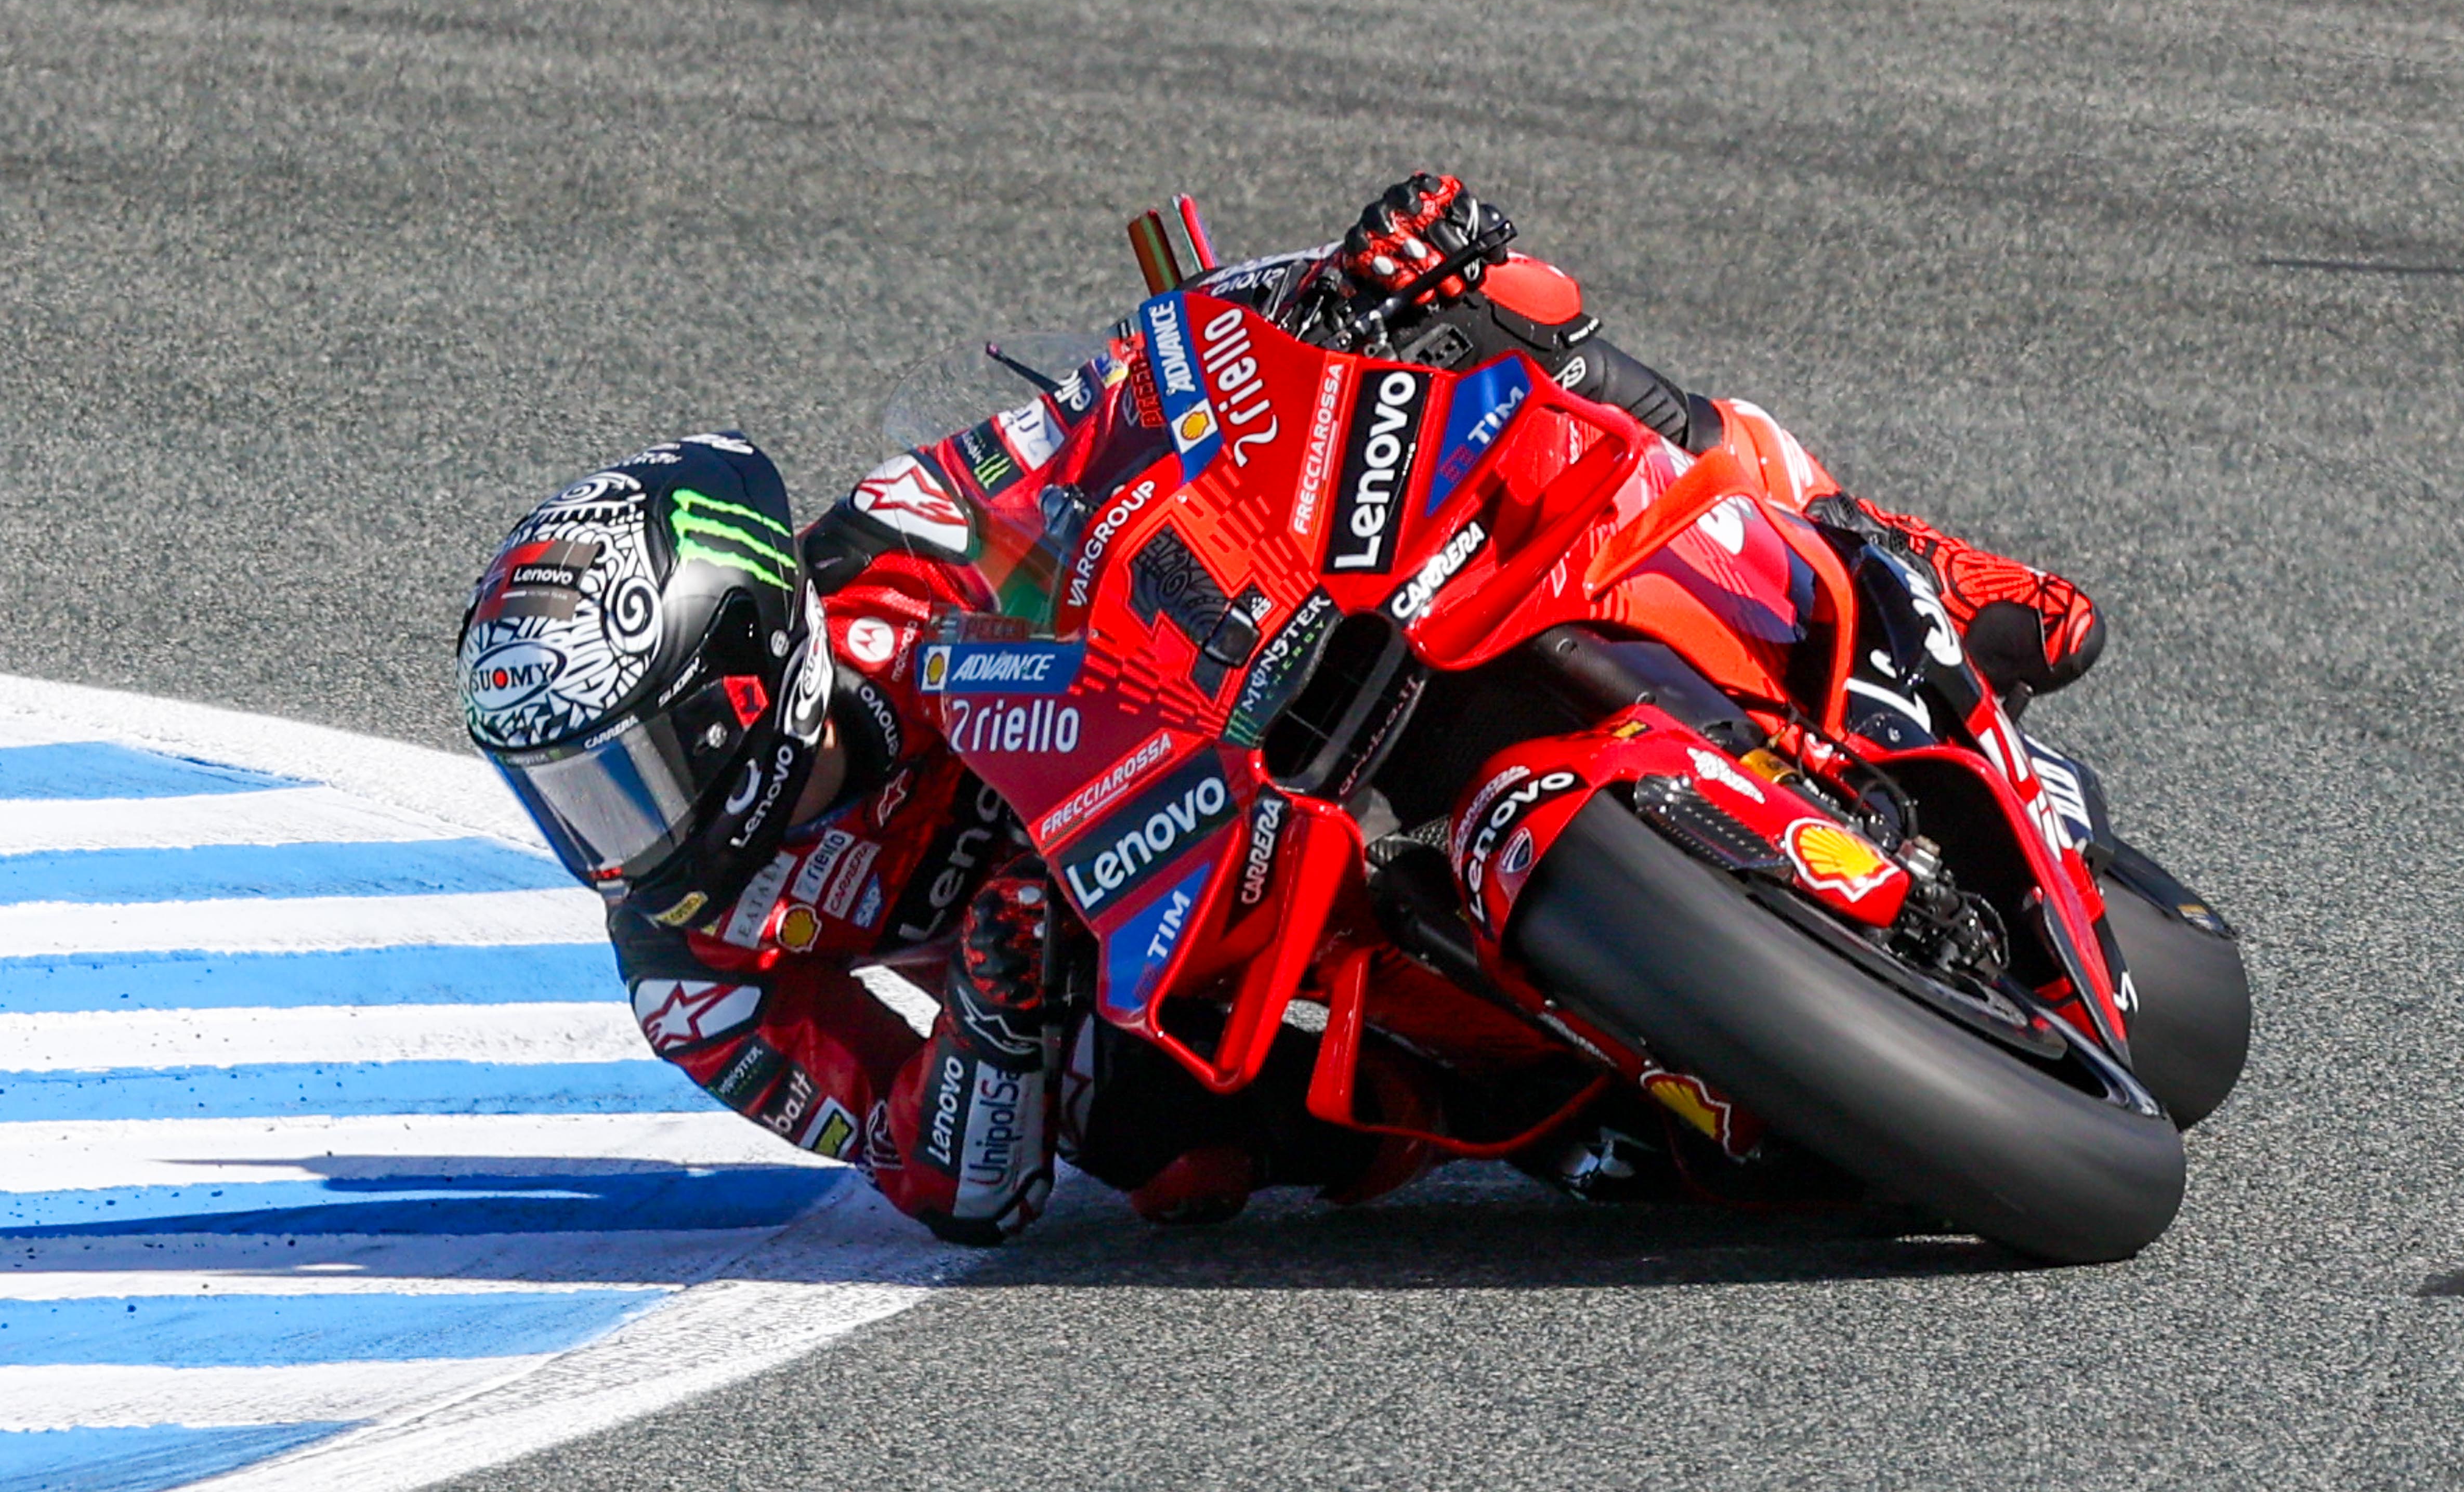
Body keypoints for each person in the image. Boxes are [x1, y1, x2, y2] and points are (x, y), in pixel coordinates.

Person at [455, 174, 2104, 1245]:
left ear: (749, 668)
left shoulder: (890, 549)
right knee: (1172, 1155)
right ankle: (1601, 1056)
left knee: (1509, 354)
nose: (608, 835)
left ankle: (1886, 557)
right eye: (569, 794)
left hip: (1203, 721)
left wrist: (1320, 295)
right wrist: (1001, 1028)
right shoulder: (693, 976)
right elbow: (949, 1178)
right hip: (1130, 974)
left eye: (625, 770)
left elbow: (1122, 398)